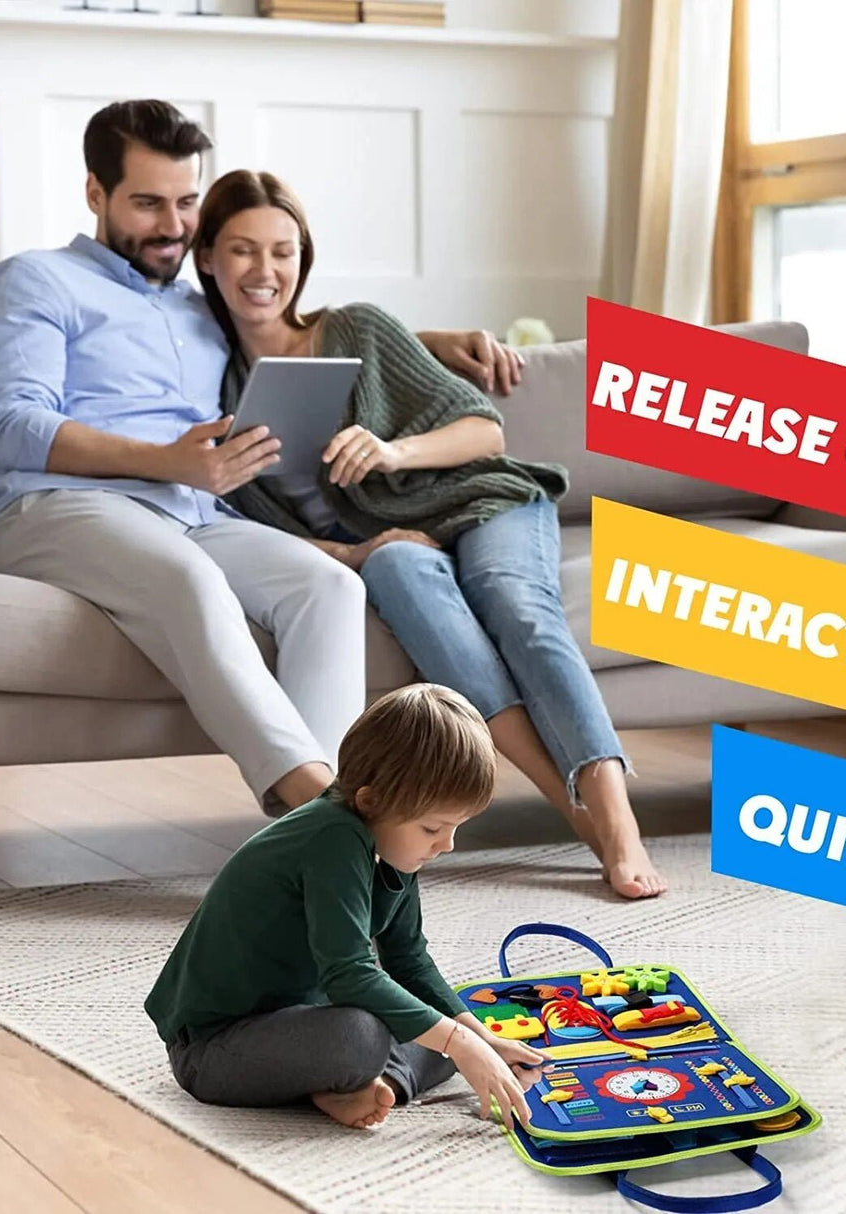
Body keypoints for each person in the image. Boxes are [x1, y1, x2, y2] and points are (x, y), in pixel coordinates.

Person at [0, 99, 521, 818]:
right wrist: (167, 460)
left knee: (330, 589)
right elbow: (9, 423)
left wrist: (434, 342)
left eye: (187, 202)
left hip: (191, 511)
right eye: (146, 203)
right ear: (95, 193)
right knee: (191, 582)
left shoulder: (199, 307)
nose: (171, 225)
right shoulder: (35, 281)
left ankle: (312, 840)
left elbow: (288, 321)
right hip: (55, 508)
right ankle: (330, 818)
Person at [193, 170, 668, 899]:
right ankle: (569, 805)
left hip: (482, 504)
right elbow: (242, 526)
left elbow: (484, 429)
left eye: (283, 251)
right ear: (207, 259)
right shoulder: (211, 386)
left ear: (303, 257)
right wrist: (356, 551)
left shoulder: (355, 328)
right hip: (389, 546)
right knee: (394, 575)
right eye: (243, 251)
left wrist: (390, 452)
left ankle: (614, 814)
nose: (266, 272)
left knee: (517, 605)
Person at [145, 683, 549, 1130]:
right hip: (212, 1048)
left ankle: (372, 1087)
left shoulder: (387, 836)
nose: (448, 844)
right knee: (367, 1037)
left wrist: (477, 1038)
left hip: (299, 1022)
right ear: (371, 800)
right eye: (434, 826)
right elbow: (349, 973)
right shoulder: (332, 836)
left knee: (448, 1022)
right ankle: (355, 1076)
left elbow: (409, 960)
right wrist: (459, 1043)